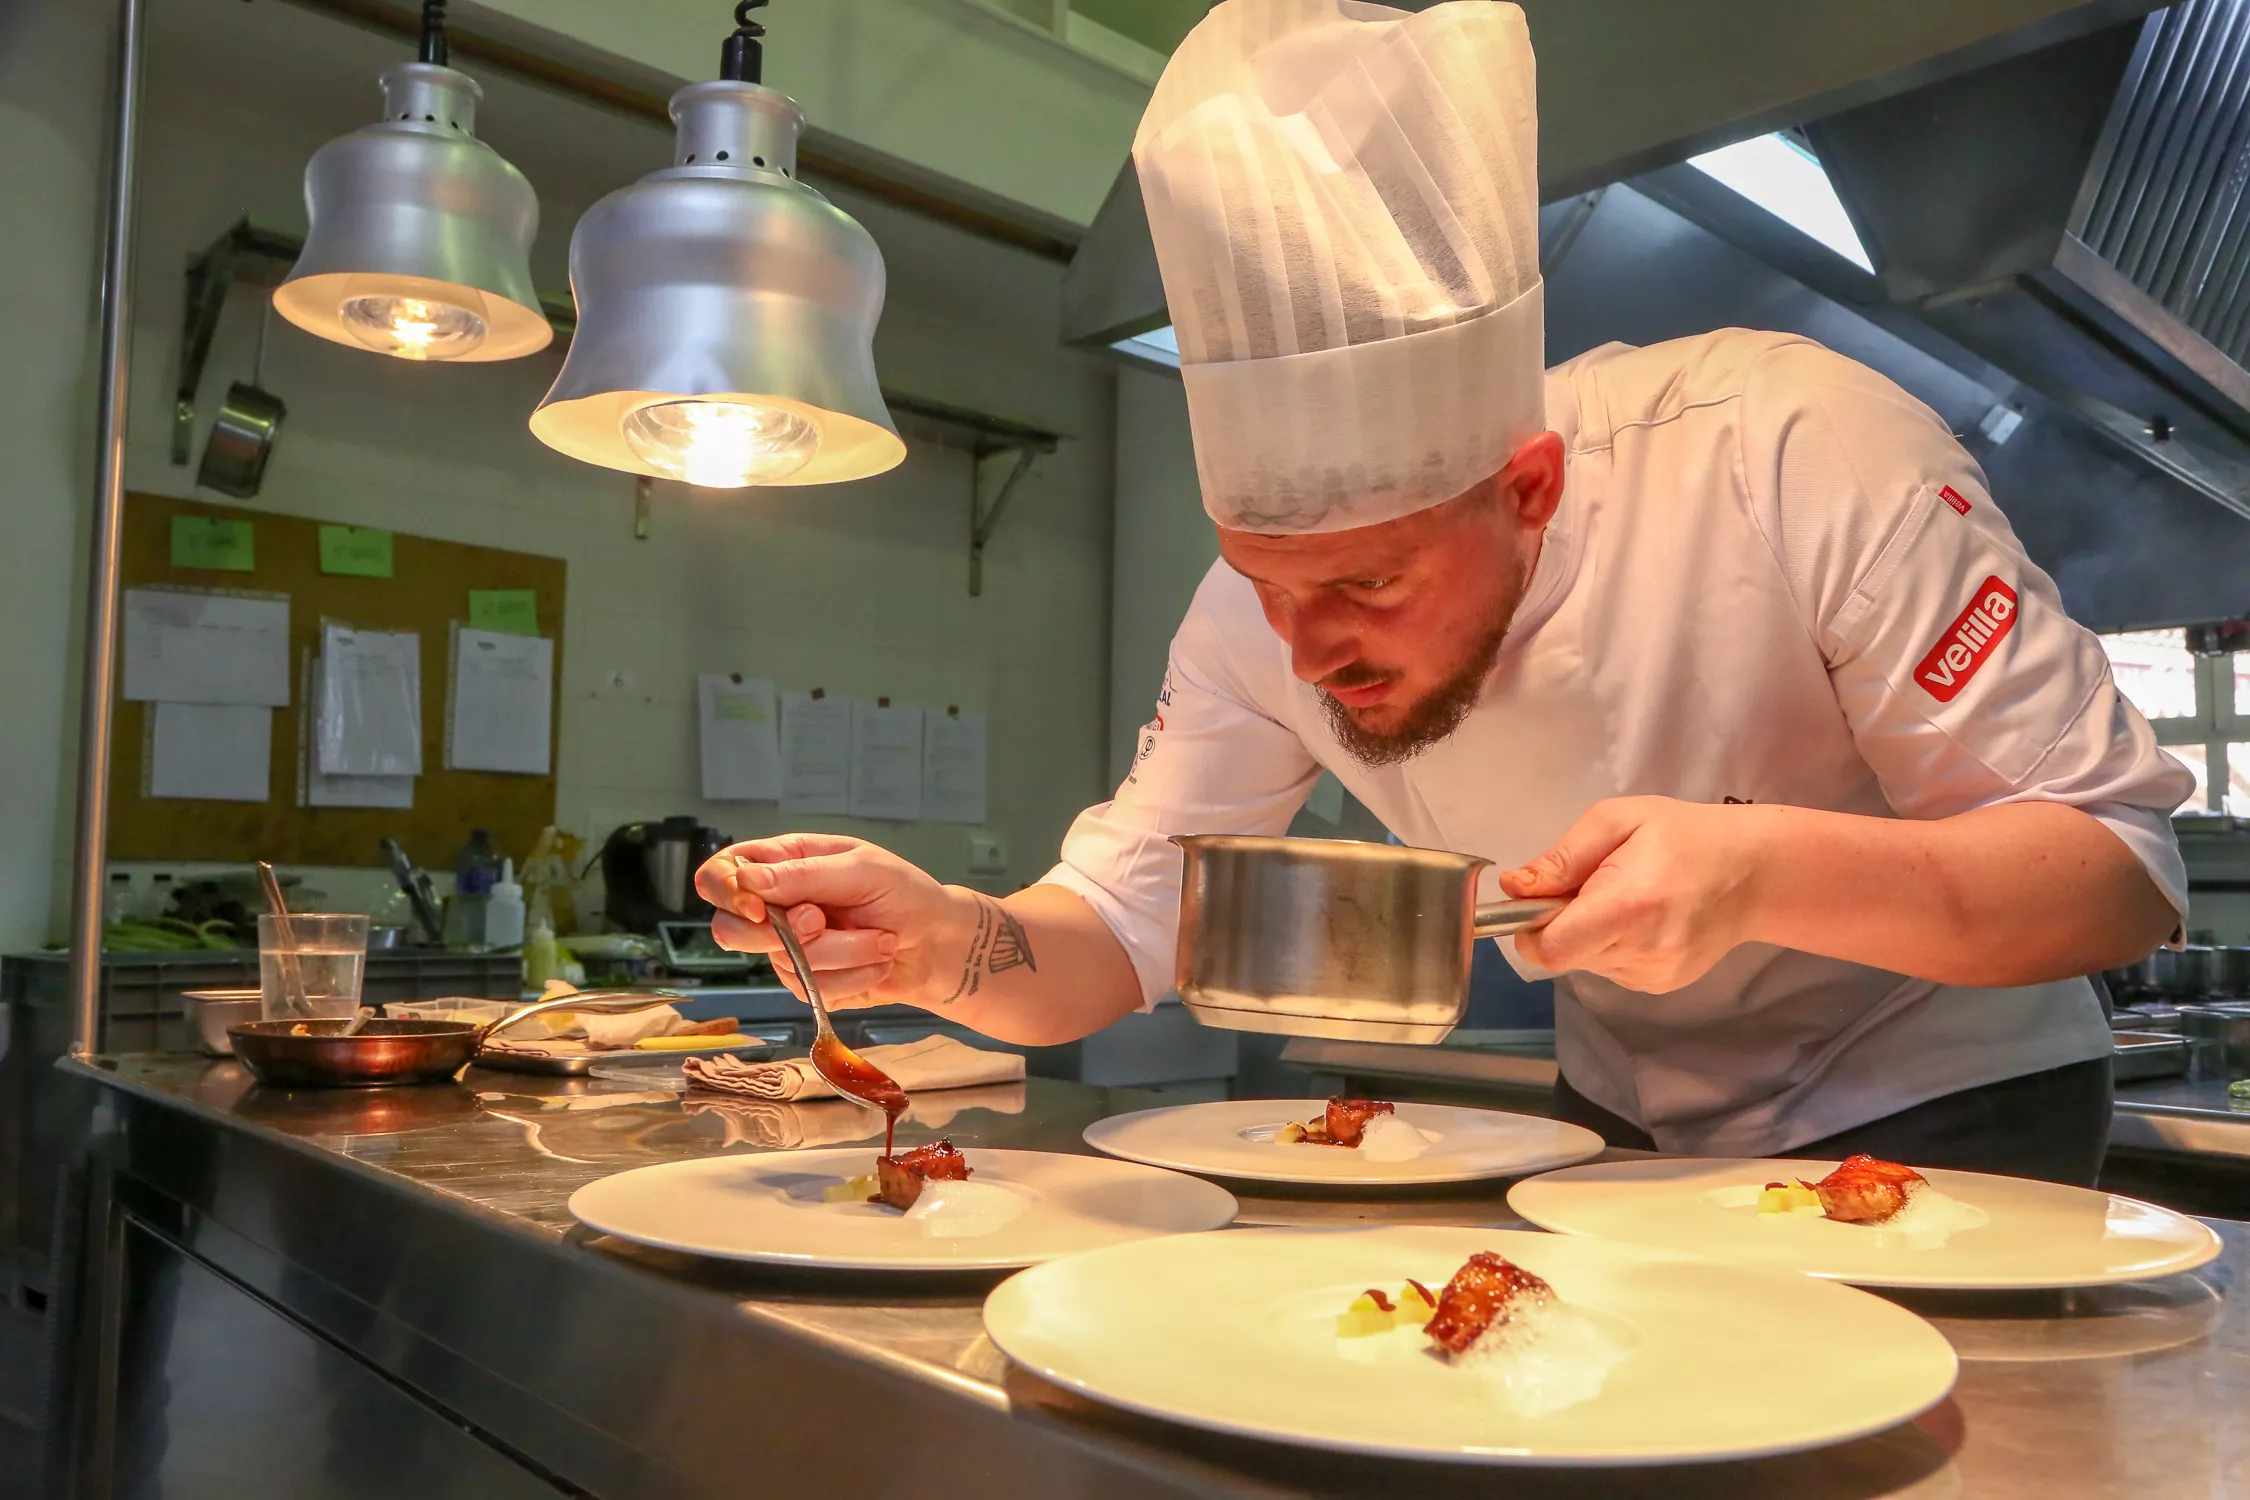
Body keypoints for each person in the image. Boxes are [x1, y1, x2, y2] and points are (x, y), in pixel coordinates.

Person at [696, 0, 2190, 1184]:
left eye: (1367, 579)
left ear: (1528, 488)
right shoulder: (1261, 621)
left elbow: (2111, 874)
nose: (1308, 647)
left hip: (1952, 1100)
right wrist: (941, 939)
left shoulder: (1786, 443)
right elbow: (1115, 931)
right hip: (1615, 1123)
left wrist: (1754, 873)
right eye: (1265, 580)